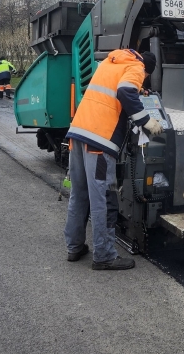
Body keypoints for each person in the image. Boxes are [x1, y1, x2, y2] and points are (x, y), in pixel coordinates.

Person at [63, 49, 163, 270]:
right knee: (103, 198)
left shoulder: (111, 62)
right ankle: (104, 255)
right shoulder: (136, 67)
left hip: (79, 133)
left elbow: (113, 92)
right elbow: (126, 91)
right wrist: (146, 120)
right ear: (146, 69)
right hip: (99, 141)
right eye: (145, 77)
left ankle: (74, 247)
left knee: (79, 195)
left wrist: (138, 93)